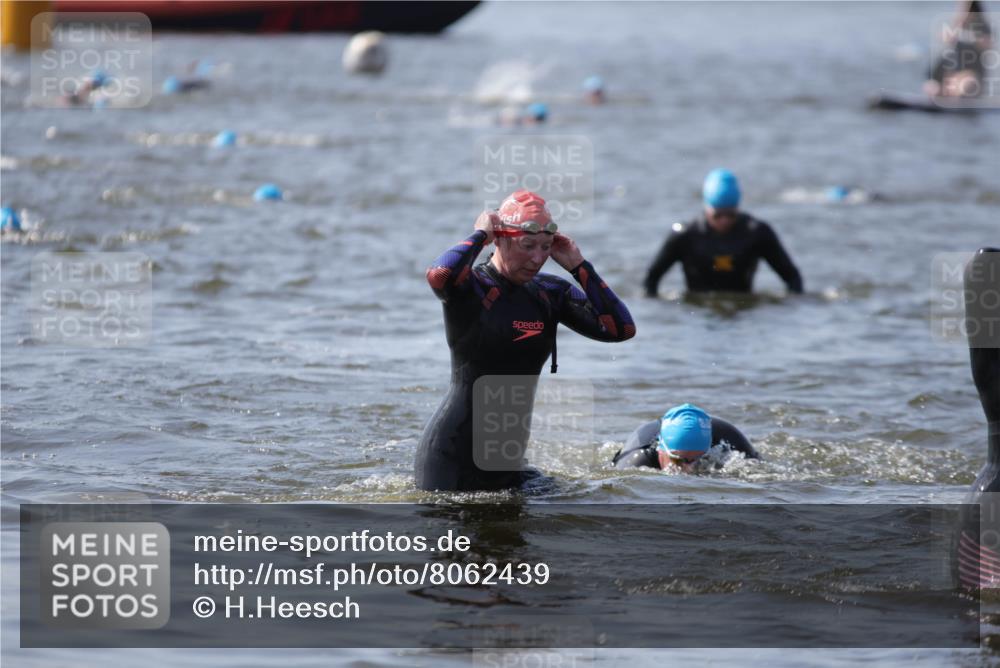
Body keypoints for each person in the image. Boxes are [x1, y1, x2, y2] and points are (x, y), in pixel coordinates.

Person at [416, 190, 636, 492]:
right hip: (452, 457)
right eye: (527, 245)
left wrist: (578, 265)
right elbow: (440, 274)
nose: (537, 258)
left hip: (507, 460)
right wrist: (481, 233)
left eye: (546, 247)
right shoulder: (472, 288)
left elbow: (620, 329)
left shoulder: (551, 293)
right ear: (501, 240)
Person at [643, 169, 804, 296]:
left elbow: (792, 278)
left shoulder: (757, 233)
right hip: (697, 310)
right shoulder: (685, 235)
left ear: (738, 208)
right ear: (706, 209)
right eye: (718, 215)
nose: (724, 221)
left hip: (743, 309)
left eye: (730, 215)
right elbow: (652, 278)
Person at [613, 404, 759, 473]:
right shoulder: (636, 460)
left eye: (698, 459)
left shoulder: (731, 441)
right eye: (677, 460)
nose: (687, 469)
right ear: (661, 450)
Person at [924, 0, 994, 98]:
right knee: (932, 87)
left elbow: (987, 44)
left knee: (965, 87)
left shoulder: (982, 26)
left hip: (970, 73)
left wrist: (968, 37)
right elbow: (943, 36)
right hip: (951, 71)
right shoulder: (957, 24)